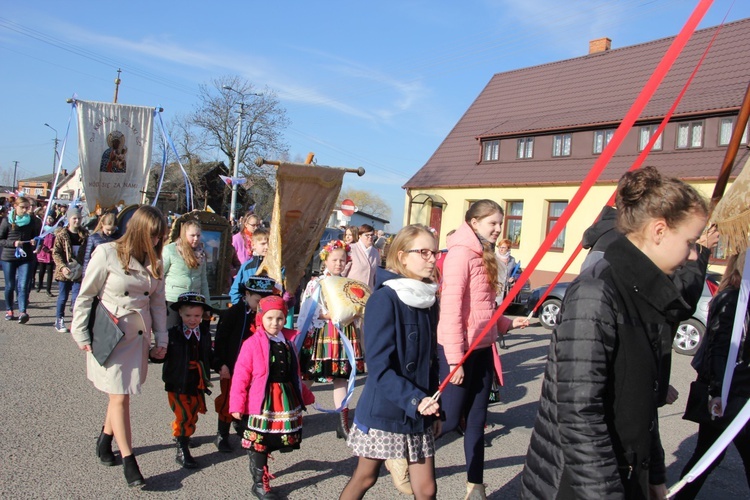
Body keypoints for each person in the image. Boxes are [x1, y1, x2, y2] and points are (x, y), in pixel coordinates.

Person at [520, 166, 709, 499]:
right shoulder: (598, 292)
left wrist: (654, 472)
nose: (693, 254)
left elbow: (641, 405)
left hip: (627, 473)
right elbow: (578, 414)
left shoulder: (647, 294)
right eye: (691, 243)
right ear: (660, 230)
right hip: (578, 485)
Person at [339, 224, 442, 500]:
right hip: (387, 408)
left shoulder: (430, 300)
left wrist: (434, 407)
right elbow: (380, 368)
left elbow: (430, 361)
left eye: (434, 252)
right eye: (424, 252)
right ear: (402, 256)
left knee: (427, 488)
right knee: (365, 477)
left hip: (421, 408)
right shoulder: (384, 299)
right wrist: (415, 400)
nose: (432, 258)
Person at [70, 205, 169, 488]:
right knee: (120, 397)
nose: (157, 241)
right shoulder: (106, 253)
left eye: (160, 236)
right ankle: (129, 460)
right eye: (153, 236)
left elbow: (158, 304)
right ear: (138, 231)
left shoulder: (156, 262)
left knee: (120, 395)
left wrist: (161, 340)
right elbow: (86, 295)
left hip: (137, 338)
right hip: (110, 336)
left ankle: (104, 441)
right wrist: (80, 333)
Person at [437, 200, 528, 499]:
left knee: (476, 421)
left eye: (500, 223)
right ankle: (403, 454)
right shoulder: (460, 255)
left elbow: (483, 309)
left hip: (483, 349)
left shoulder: (485, 254)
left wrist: (506, 323)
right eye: (493, 223)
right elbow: (450, 311)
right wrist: (454, 361)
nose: (499, 229)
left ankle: (475, 486)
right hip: (459, 352)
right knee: (448, 420)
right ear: (474, 223)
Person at [674, 252, 750, 499]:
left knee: (707, 456)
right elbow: (720, 348)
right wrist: (717, 392)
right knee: (708, 456)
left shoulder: (742, 299)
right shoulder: (731, 299)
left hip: (735, 390)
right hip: (730, 393)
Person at [230, 295, 315, 499]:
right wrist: (237, 405)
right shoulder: (252, 344)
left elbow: (295, 373)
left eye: (279, 319)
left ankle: (260, 467)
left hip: (284, 398)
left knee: (274, 439)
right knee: (259, 439)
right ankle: (260, 482)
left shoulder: (289, 342)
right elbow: (241, 376)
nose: (275, 323)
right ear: (261, 318)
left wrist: (306, 395)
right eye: (270, 318)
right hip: (262, 399)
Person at [297, 240, 365, 439]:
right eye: (335, 259)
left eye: (343, 260)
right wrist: (331, 315)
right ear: (325, 260)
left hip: (343, 333)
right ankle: (292, 414)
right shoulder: (317, 283)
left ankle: (342, 422)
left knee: (340, 377)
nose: (339, 263)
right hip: (322, 334)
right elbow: (309, 310)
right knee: (309, 375)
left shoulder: (348, 284)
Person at [213, 276, 280, 453]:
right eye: (257, 300)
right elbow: (220, 341)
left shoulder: (266, 317)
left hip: (256, 368)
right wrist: (220, 365)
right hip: (233, 365)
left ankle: (246, 427)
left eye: (264, 301)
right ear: (247, 294)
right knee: (229, 399)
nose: (260, 305)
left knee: (252, 398)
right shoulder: (233, 313)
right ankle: (222, 434)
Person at [161, 292, 214, 469]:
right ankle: (182, 447)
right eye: (188, 315)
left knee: (193, 412)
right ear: (180, 314)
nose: (193, 319)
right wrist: (155, 354)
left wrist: (221, 366)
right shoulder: (172, 335)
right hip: (177, 381)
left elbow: (209, 355)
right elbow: (161, 355)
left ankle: (184, 434)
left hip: (196, 380)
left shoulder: (204, 334)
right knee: (183, 413)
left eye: (197, 316)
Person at [0, 196, 41, 324]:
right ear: (15, 207)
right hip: (9, 257)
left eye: (27, 207)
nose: (25, 210)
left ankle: (23, 312)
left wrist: (36, 242)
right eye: (22, 207)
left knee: (23, 285)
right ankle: (9, 309)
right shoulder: (7, 220)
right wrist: (13, 243)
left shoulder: (32, 221)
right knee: (10, 286)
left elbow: (38, 237)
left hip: (26, 257)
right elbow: (1, 239)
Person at [162, 220, 210, 329]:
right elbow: (159, 275)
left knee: (189, 335)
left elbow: (203, 280)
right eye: (192, 235)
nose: (196, 239)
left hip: (193, 300)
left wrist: (208, 305)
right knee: (172, 333)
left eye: (198, 235)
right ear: (184, 234)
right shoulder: (170, 250)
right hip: (173, 299)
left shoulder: (201, 253)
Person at [52, 207, 89, 333]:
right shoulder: (62, 234)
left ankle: (76, 321)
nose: (77, 221)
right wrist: (62, 267)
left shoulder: (84, 234)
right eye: (74, 218)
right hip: (65, 270)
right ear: (69, 219)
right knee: (63, 296)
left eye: (79, 218)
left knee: (77, 297)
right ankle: (59, 319)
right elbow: (56, 253)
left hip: (78, 270)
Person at [229, 227, 270, 305]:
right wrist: (242, 307)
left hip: (269, 312)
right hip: (249, 311)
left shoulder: (276, 267)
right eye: (263, 244)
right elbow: (235, 291)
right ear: (253, 245)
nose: (267, 247)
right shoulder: (247, 267)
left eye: (269, 243)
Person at [343, 224, 379, 290]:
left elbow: (376, 275)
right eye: (367, 235)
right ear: (360, 236)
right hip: (351, 290)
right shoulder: (351, 249)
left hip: (368, 292)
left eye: (372, 235)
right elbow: (343, 271)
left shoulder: (375, 252)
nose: (370, 237)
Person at [82, 211, 117, 276]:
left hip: (113, 271)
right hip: (97, 270)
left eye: (113, 230)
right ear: (102, 224)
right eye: (108, 229)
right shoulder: (93, 238)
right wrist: (85, 275)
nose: (110, 232)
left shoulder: (118, 237)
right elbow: (87, 258)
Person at [35, 214, 57, 297]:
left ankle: (48, 289)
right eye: (48, 218)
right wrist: (44, 248)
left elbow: (57, 240)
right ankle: (39, 285)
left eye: (51, 218)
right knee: (41, 270)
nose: (49, 219)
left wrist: (54, 248)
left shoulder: (55, 229)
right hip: (43, 253)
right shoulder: (43, 229)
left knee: (50, 272)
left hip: (51, 253)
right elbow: (39, 239)